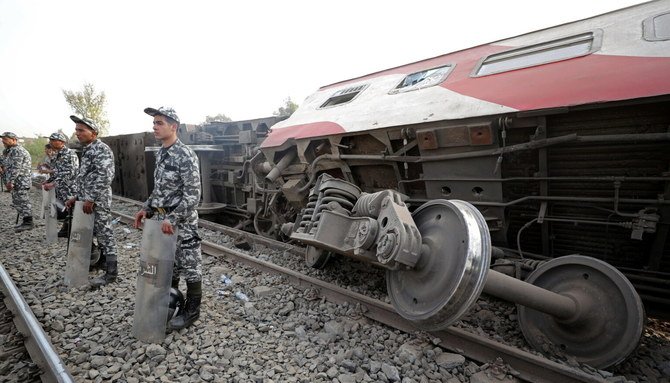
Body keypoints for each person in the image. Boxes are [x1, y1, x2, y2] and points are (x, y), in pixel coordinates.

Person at [133, 107, 203, 331]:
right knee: (168, 266)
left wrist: (173, 218)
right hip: (163, 222)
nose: (154, 126)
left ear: (174, 127)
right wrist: (146, 208)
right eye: (154, 123)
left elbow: (193, 195)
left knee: (190, 266)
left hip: (182, 222)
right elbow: (160, 189)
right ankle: (168, 305)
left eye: (159, 122)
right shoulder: (161, 153)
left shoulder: (185, 155)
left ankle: (192, 311)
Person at [65, 116, 118, 287]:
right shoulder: (88, 149)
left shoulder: (101, 149)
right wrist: (77, 197)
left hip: (98, 201)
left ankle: (112, 272)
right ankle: (101, 262)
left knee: (105, 234)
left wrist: (91, 198)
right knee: (94, 231)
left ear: (93, 133)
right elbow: (86, 177)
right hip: (88, 200)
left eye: (81, 130)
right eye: (77, 129)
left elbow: (105, 176)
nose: (77, 133)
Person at [42, 132, 79, 237]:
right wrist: (49, 181)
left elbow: (71, 172)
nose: (51, 142)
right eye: (50, 140)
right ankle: (66, 229)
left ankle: (75, 231)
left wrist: (54, 183)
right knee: (66, 208)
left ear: (62, 142)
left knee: (72, 208)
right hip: (61, 187)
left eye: (54, 140)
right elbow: (56, 171)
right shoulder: (57, 154)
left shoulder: (69, 154)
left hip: (69, 187)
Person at [1, 132, 34, 232]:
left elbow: (16, 168)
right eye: (3, 139)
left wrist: (10, 181)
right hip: (17, 181)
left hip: (20, 181)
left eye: (6, 139)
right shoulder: (10, 151)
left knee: (23, 201)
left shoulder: (17, 151)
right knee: (17, 201)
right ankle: (26, 221)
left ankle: (28, 222)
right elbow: (6, 163)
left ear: (14, 139)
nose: (3, 141)